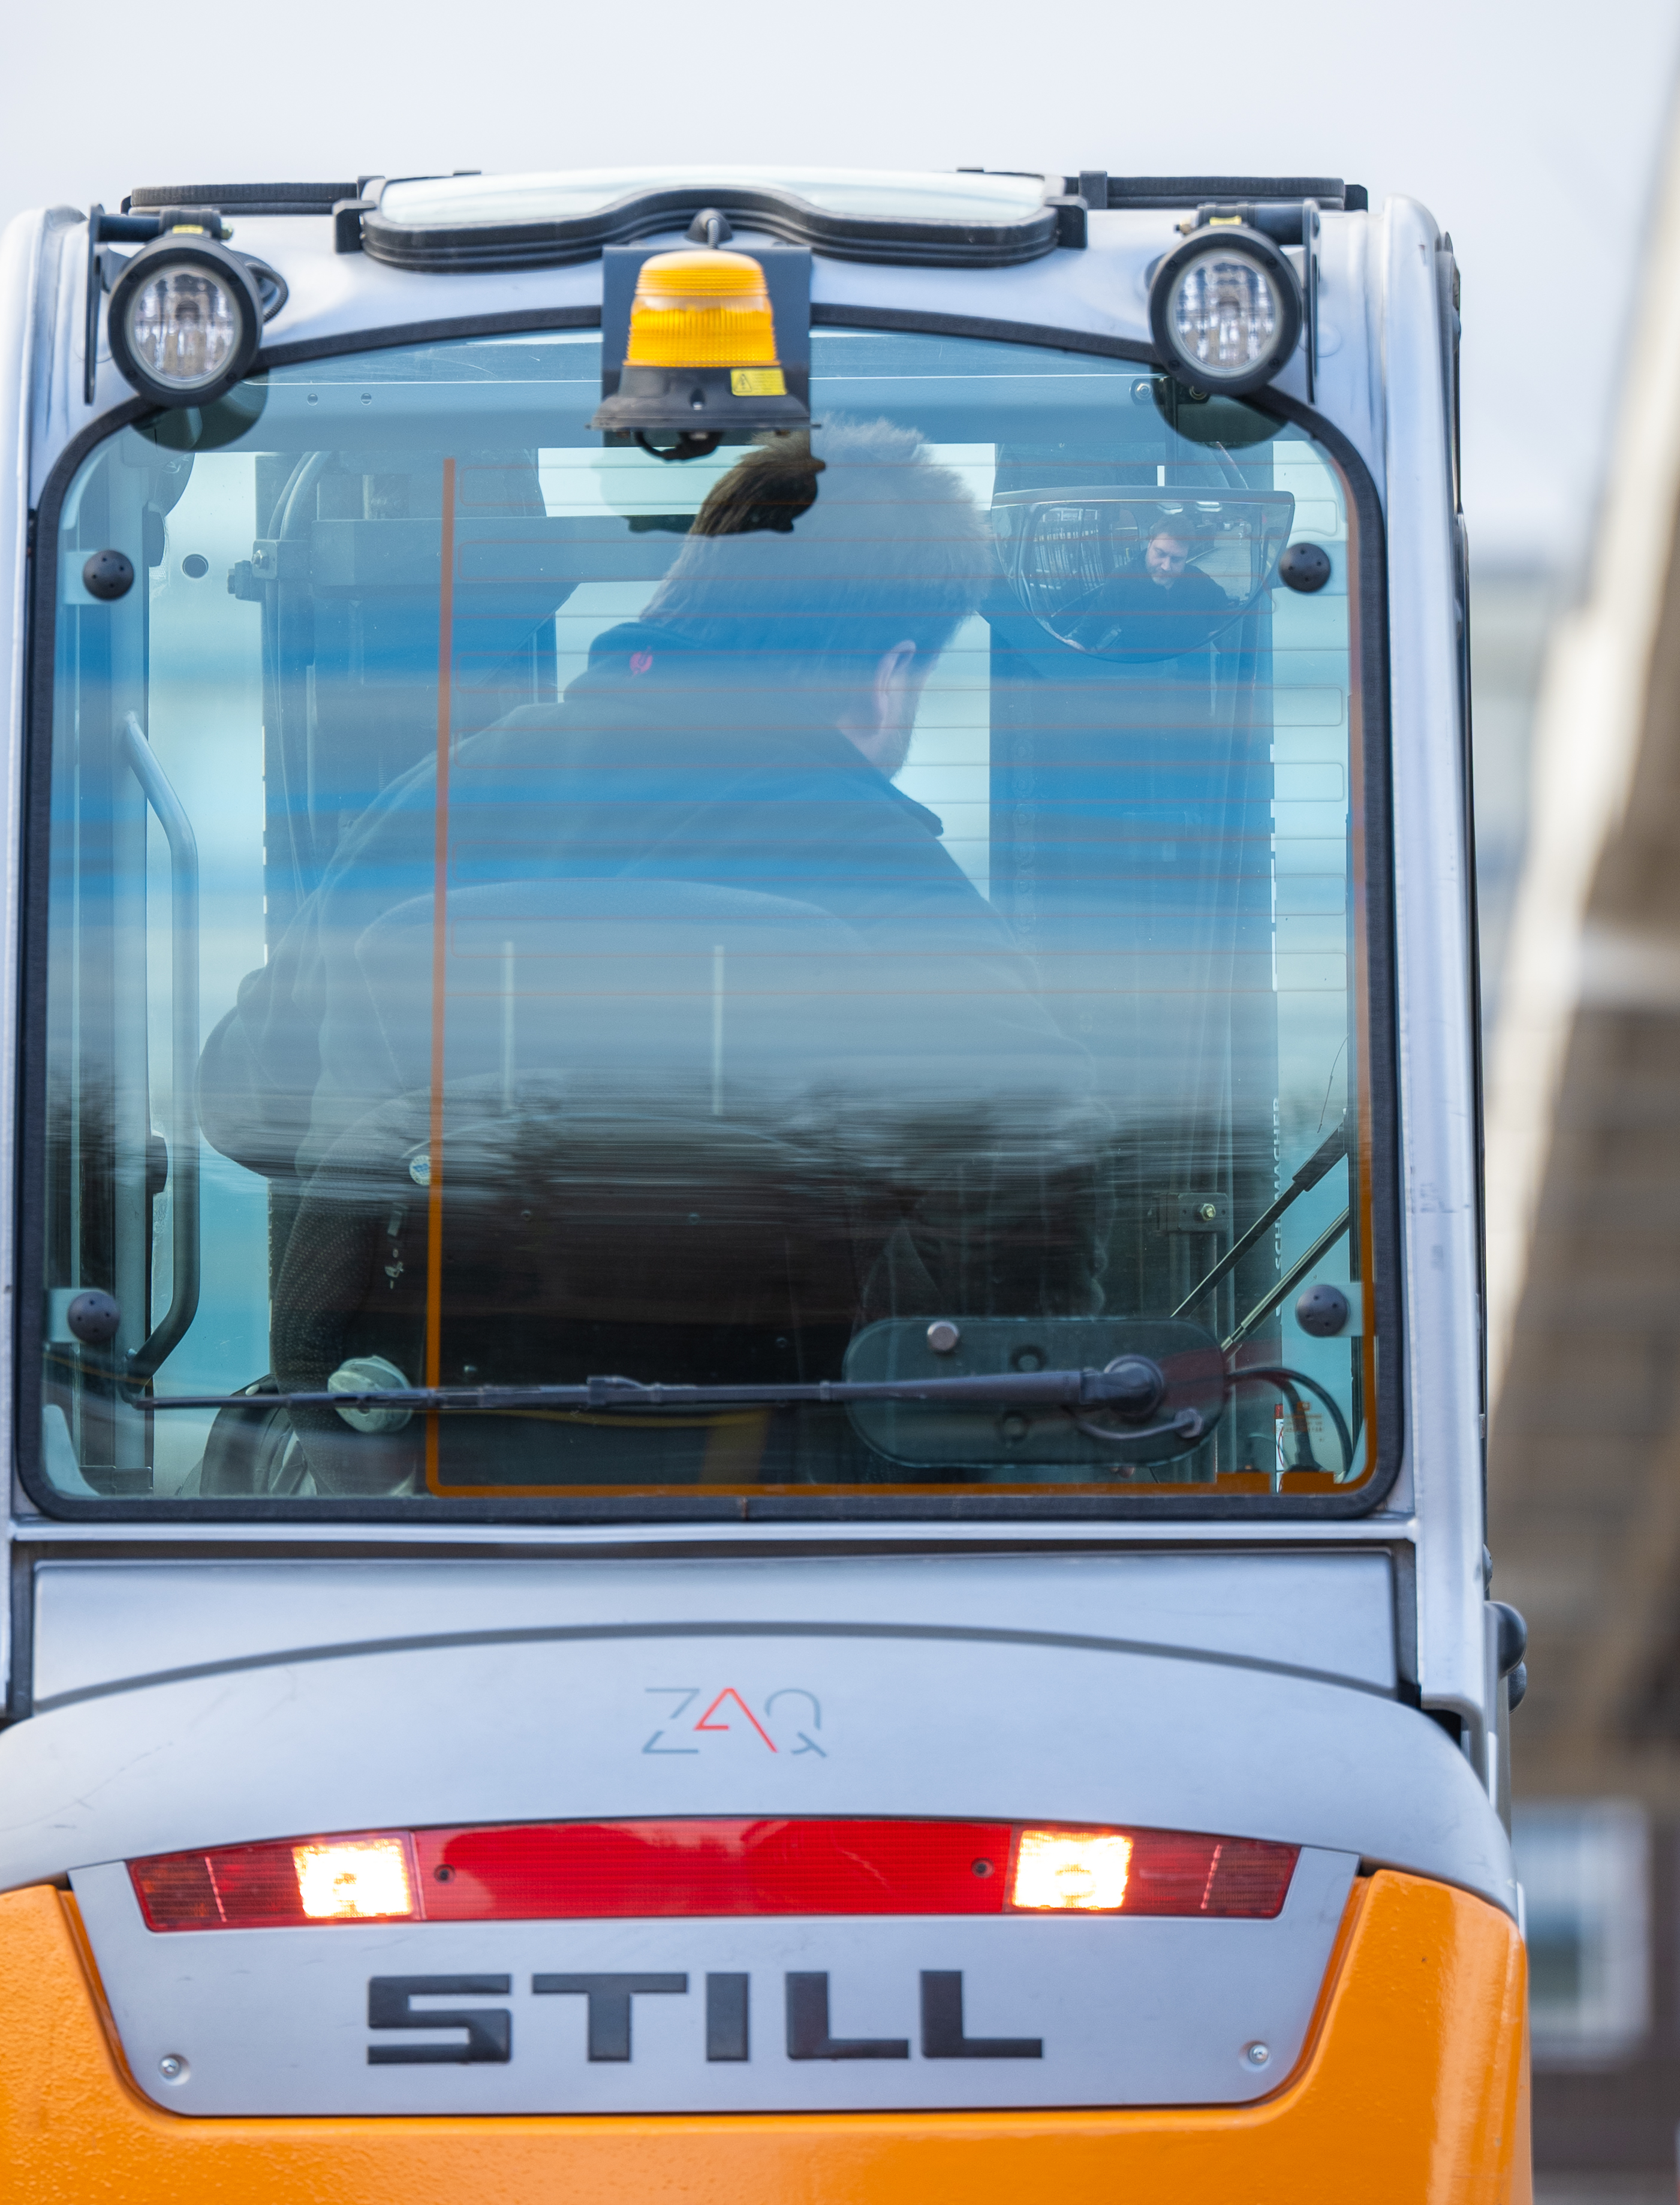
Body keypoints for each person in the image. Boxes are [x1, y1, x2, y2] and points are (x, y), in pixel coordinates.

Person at [200, 421, 1109, 1448]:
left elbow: (244, 1105)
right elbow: (1038, 1172)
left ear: (691, 590)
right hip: (806, 1488)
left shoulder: (439, 804)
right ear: (894, 670)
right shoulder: (876, 866)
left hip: (416, 1469)